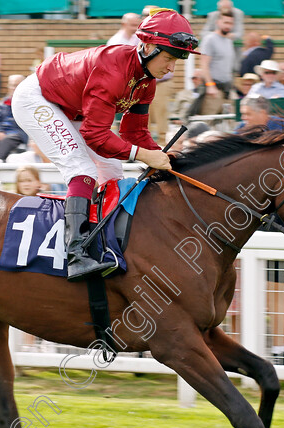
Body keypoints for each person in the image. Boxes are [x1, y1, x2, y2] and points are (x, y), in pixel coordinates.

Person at [12, 8, 197, 281]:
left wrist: (161, 155)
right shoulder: (114, 69)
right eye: (169, 58)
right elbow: (95, 135)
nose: (172, 68)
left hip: (71, 108)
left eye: (177, 61)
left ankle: (102, 241)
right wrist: (143, 155)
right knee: (81, 170)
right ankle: (76, 254)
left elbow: (134, 133)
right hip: (37, 99)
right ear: (147, 47)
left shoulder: (147, 82)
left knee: (112, 170)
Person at [200, 10, 235, 115]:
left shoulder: (229, 41)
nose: (228, 26)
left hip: (227, 90)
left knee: (228, 125)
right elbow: (204, 64)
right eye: (225, 22)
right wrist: (210, 85)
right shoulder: (210, 39)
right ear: (218, 22)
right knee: (209, 122)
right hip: (214, 90)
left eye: (230, 23)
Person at [0, 74, 28, 160]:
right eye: (12, 85)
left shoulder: (27, 103)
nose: (14, 87)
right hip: (3, 132)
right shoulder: (2, 103)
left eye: (17, 85)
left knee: (7, 141)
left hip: (18, 133)